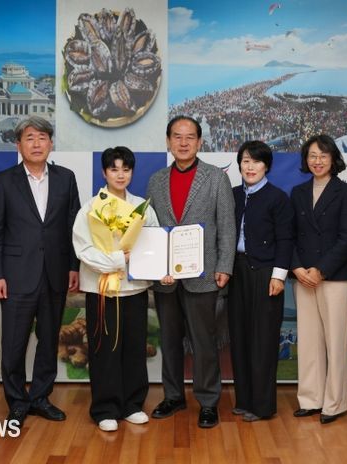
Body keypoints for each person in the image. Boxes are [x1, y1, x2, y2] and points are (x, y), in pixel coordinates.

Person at [0, 116, 80, 428]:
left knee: (49, 339)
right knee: (13, 343)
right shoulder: (4, 180)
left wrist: (73, 267)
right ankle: (16, 400)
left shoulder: (66, 178)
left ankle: (40, 397)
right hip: (15, 275)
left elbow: (73, 227)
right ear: (18, 145)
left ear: (51, 143)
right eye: (29, 138)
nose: (36, 144)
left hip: (55, 273)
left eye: (42, 137)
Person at [146, 116, 236, 428]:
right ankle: (173, 396)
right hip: (166, 277)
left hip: (204, 275)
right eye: (177, 136)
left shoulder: (216, 177)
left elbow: (227, 226)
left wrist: (224, 266)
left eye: (189, 137)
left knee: (204, 342)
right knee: (169, 340)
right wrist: (154, 267)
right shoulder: (156, 180)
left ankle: (208, 402)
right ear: (168, 141)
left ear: (199, 142)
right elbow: (150, 229)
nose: (183, 143)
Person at [72, 146, 160, 432]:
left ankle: (133, 405)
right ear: (104, 172)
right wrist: (118, 259)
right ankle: (105, 408)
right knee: (103, 349)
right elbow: (83, 249)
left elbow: (155, 243)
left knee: (134, 348)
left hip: (134, 290)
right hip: (101, 290)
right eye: (114, 169)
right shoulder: (90, 208)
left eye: (126, 169)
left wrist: (162, 268)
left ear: (132, 172)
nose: (120, 175)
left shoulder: (142, 207)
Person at [290, 134, 347, 424]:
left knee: (335, 340)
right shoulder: (297, 192)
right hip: (303, 276)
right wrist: (297, 268)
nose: (317, 161)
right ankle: (310, 399)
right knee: (308, 341)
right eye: (312, 155)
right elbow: (289, 235)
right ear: (306, 160)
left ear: (333, 159)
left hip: (334, 277)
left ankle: (334, 402)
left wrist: (321, 269)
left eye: (323, 155)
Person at [229, 140, 293, 422]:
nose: (250, 166)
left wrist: (279, 276)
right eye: (245, 161)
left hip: (266, 274)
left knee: (263, 340)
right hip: (236, 272)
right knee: (239, 336)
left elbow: (286, 240)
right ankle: (244, 400)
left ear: (266, 166)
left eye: (256, 161)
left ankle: (263, 406)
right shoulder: (233, 195)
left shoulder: (277, 198)